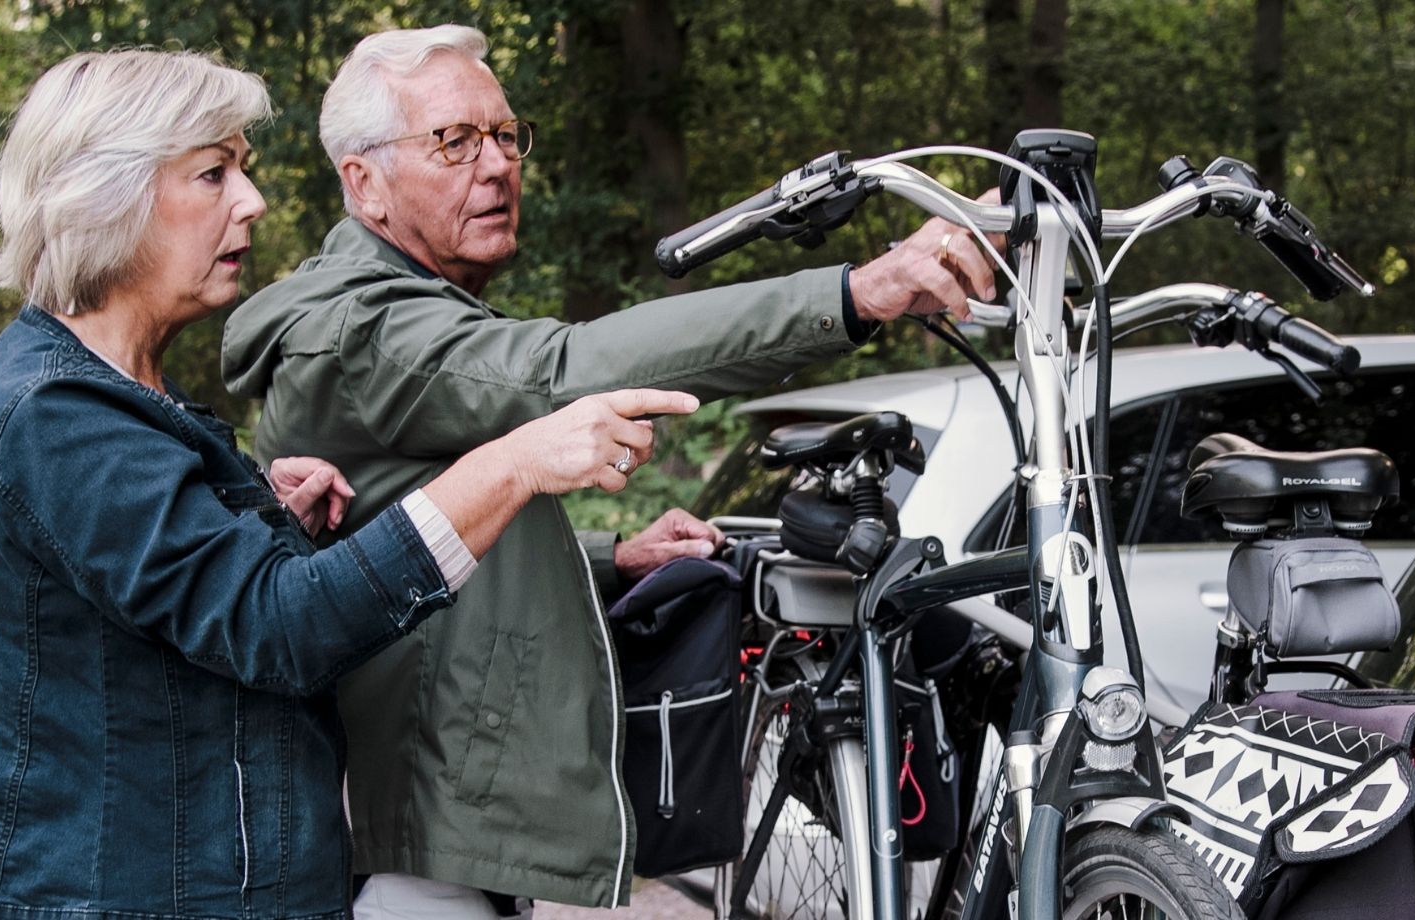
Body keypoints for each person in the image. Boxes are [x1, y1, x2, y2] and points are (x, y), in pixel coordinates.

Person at [217, 24, 996, 917]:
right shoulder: (361, 331)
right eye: (454, 141)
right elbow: (562, 371)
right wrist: (853, 295)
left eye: (507, 136)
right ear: (364, 182)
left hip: (437, 831)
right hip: (408, 851)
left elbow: (414, 523)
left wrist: (609, 555)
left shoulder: (402, 312)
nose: (498, 164)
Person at [0, 49, 698, 920]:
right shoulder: (56, 414)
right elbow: (277, 626)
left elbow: (181, 600)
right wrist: (510, 462)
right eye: (214, 174)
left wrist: (258, 513)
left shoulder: (130, 396)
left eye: (242, 172)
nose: (252, 202)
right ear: (108, 198)